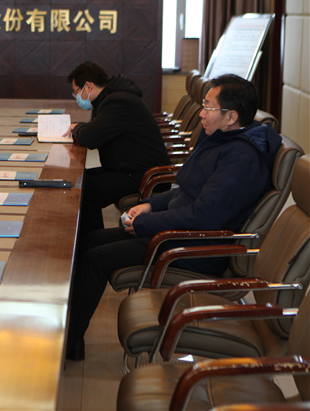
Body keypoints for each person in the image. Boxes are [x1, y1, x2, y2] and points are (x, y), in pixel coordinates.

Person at [65, 74, 281, 361]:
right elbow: (186, 188)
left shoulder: (241, 158)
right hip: (176, 232)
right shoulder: (219, 139)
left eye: (208, 107)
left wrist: (144, 224)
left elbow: (203, 216)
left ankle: (70, 344)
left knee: (95, 258)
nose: (202, 113)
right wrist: (150, 206)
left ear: (231, 117)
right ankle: (71, 333)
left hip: (196, 246)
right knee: (91, 240)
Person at [65, 62, 170, 236]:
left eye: (77, 92)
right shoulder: (111, 98)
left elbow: (90, 137)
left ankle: (92, 242)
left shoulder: (118, 102)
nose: (77, 97)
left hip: (144, 176)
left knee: (84, 191)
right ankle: (90, 240)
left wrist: (77, 127)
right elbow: (95, 131)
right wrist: (82, 128)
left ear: (88, 86)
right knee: (80, 180)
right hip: (128, 169)